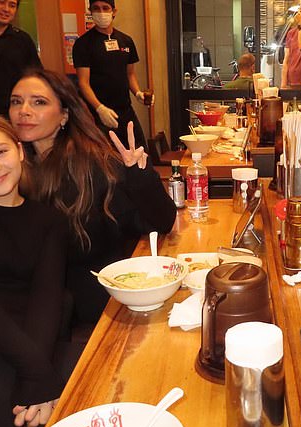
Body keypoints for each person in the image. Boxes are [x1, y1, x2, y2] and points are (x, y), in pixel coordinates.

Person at [9, 69, 176, 328]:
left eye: (39, 102)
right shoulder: (5, 169)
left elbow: (160, 221)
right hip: (24, 307)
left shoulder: (92, 165)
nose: (24, 110)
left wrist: (139, 174)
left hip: (91, 309)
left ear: (64, 115)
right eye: (16, 102)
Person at [0, 108, 70, 427]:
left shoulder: (48, 219)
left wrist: (37, 376)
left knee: (82, 417)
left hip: (33, 340)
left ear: (19, 150)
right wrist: (38, 374)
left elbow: (46, 298)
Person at [72, 0, 153, 150]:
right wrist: (99, 108)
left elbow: (130, 75)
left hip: (125, 110)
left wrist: (138, 93)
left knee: (140, 152)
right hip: (98, 114)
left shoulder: (126, 41)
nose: (101, 12)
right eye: (96, 8)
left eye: (105, 8)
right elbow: (83, 83)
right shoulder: (83, 44)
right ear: (90, 11)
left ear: (114, 11)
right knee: (108, 160)